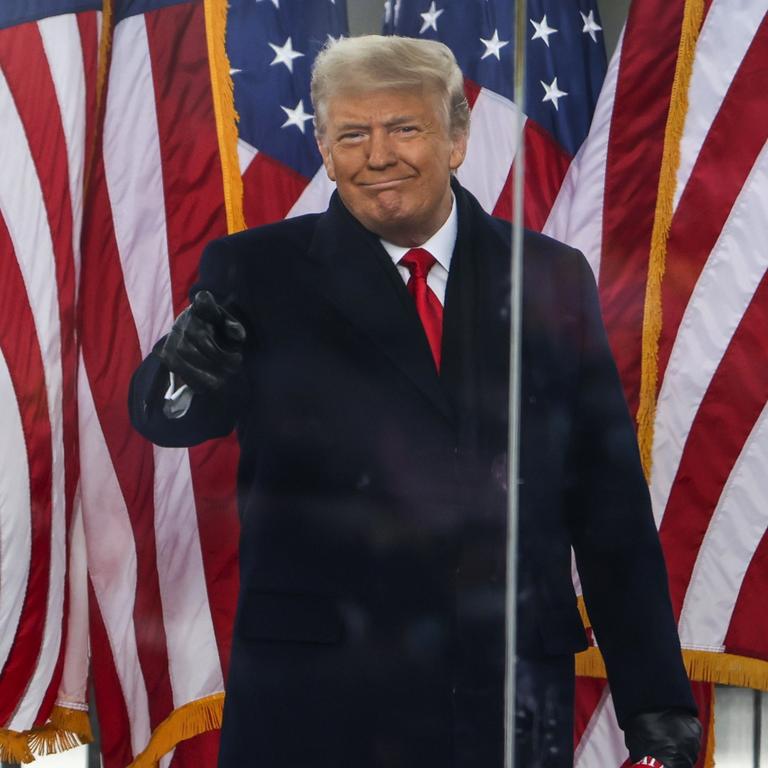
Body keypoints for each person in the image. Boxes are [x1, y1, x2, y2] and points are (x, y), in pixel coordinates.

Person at [129, 35, 701, 768]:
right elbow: (172, 418)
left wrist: (657, 706)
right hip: (317, 702)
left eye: (404, 128)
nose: (378, 155)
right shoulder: (253, 270)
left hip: (505, 698)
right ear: (326, 152)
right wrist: (179, 373)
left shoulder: (551, 279)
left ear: (457, 138)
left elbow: (609, 505)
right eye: (352, 134)